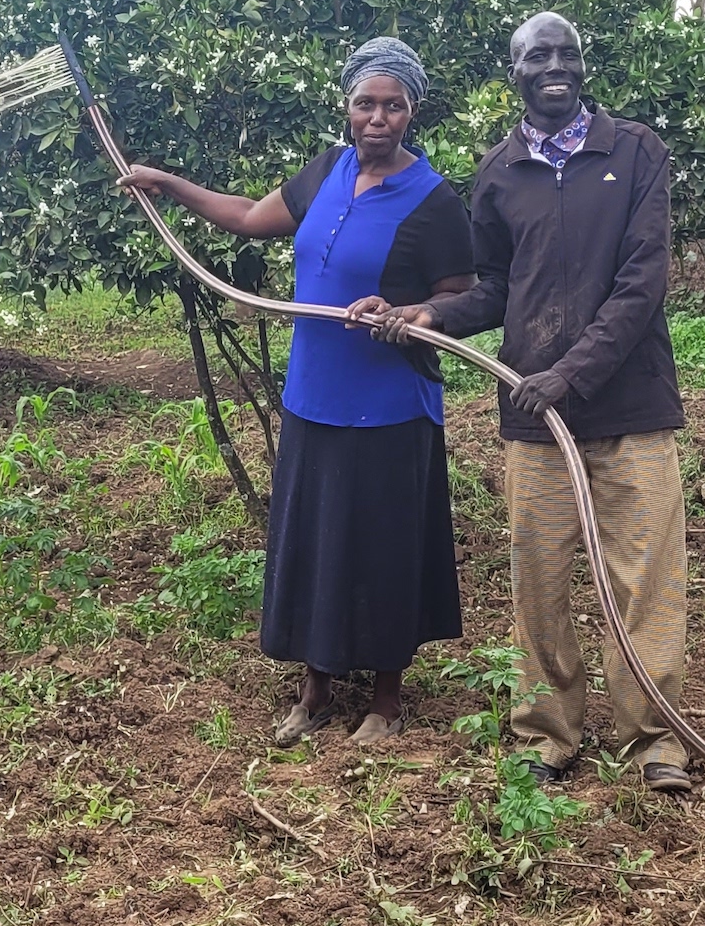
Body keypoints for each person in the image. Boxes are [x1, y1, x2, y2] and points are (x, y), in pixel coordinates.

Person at [353, 11, 693, 794]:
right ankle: (547, 734)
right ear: (514, 71)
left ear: (582, 65)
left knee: (647, 580)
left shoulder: (634, 151)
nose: (556, 65)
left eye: (568, 52)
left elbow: (643, 282)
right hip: (534, 418)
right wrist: (427, 316)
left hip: (630, 406)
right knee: (537, 581)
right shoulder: (499, 170)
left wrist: (570, 373)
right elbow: (497, 287)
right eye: (538, 55)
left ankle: (655, 742)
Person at [117, 37, 475, 748]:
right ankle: (314, 691)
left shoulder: (435, 202)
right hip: (314, 399)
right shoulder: (325, 174)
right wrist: (171, 186)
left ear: (412, 112)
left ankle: (385, 698)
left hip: (390, 408)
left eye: (393, 105)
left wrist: (409, 316)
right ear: (346, 107)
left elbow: (460, 296)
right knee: (316, 545)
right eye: (365, 103)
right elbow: (251, 216)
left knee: (381, 548)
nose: (377, 117)